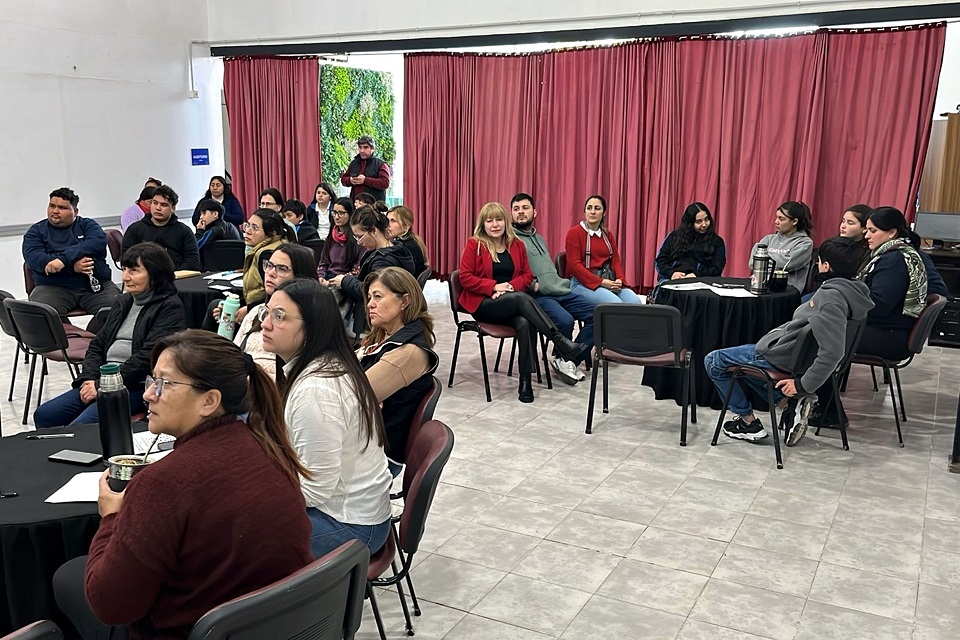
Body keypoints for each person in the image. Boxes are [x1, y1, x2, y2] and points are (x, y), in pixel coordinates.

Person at [52, 330, 313, 640]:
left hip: (197, 629)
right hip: (274, 624)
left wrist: (111, 518)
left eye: (165, 383)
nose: (149, 394)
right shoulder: (269, 449)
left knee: (67, 578)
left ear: (209, 401)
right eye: (152, 380)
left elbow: (111, 607)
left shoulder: (161, 484)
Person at [262, 279, 393, 558]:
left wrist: (258, 490)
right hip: (348, 510)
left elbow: (316, 489)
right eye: (267, 312)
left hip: (351, 526)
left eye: (279, 316)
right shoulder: (324, 364)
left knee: (237, 537)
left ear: (312, 327)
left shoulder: (315, 391)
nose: (265, 324)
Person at [704, 236, 874, 446]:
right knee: (744, 363)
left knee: (714, 361)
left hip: (785, 358)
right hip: (791, 354)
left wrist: (802, 385)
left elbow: (833, 352)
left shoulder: (831, 299)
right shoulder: (855, 292)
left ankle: (749, 423)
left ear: (826, 266)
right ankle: (788, 404)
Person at [34, 243, 186, 428]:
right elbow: (97, 345)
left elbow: (147, 357)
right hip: (104, 378)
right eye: (124, 269)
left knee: (81, 426)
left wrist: (101, 385)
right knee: (45, 415)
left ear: (155, 274)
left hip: (137, 385)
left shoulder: (169, 307)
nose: (125, 277)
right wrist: (89, 379)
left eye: (134, 271)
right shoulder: (124, 301)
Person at [810, 207, 930, 430]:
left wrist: (845, 305)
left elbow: (878, 306)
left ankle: (830, 411)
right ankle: (821, 403)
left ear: (891, 232)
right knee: (822, 329)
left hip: (890, 336)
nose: (866, 235)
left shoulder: (894, 260)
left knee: (818, 337)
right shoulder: (890, 254)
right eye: (866, 230)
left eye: (873, 231)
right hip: (886, 329)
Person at [460, 202, 591, 403]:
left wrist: (508, 287)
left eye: (499, 220)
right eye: (489, 221)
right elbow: (465, 278)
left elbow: (527, 275)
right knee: (522, 298)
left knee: (524, 322)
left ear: (505, 222)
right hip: (484, 304)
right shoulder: (475, 244)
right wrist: (494, 287)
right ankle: (559, 340)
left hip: (509, 300)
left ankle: (525, 382)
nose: (495, 225)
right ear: (483, 224)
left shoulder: (516, 244)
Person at [357, 267, 440, 474]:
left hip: (377, 456)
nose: (370, 304)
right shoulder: (383, 336)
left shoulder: (408, 351)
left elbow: (353, 396)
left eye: (378, 296)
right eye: (369, 297)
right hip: (362, 439)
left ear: (404, 301)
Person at [511, 193, 595, 385]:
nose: (521, 212)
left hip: (560, 290)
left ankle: (568, 360)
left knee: (598, 315)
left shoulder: (539, 238)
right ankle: (565, 359)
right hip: (538, 296)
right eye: (516, 209)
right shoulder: (511, 240)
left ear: (534, 212)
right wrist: (532, 285)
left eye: (525, 208)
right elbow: (511, 272)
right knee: (565, 321)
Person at [23, 187, 121, 316]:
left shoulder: (88, 225)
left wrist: (63, 260)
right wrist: (73, 267)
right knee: (42, 314)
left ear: (75, 211)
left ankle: (97, 329)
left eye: (62, 208)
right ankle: (63, 330)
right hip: (52, 288)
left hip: (95, 287)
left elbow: (96, 243)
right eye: (52, 206)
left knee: (118, 309)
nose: (55, 211)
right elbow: (36, 260)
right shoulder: (36, 231)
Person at [327, 205, 415, 334]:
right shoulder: (396, 248)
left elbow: (371, 292)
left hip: (373, 320)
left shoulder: (383, 261)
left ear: (374, 231)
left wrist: (344, 281)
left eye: (360, 236)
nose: (358, 242)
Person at [234, 243, 316, 377]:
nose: (270, 273)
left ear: (301, 277)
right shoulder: (256, 311)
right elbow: (233, 356)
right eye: (269, 265)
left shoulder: (307, 320)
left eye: (282, 269)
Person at [564, 195, 642, 304]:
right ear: (584, 212)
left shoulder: (607, 235)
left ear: (604, 213)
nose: (592, 212)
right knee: (614, 303)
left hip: (606, 279)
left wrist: (619, 279)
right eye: (589, 208)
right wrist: (601, 282)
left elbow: (615, 260)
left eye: (597, 208)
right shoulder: (574, 233)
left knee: (635, 302)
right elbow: (574, 265)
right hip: (581, 283)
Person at [123, 185, 201, 271]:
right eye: (155, 203)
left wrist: (174, 275)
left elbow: (192, 260)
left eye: (164, 205)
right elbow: (127, 258)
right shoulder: (135, 229)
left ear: (173, 208)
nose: (158, 208)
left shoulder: (184, 231)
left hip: (176, 276)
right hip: (145, 276)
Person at [749, 201, 814, 293]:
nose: (776, 222)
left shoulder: (805, 243)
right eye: (776, 217)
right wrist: (773, 261)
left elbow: (787, 264)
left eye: (781, 219)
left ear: (794, 221)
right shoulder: (768, 239)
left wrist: (763, 261)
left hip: (787, 292)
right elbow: (752, 263)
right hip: (762, 287)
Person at [655, 202, 727, 281]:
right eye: (699, 222)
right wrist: (672, 273)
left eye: (706, 219)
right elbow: (660, 261)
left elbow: (717, 268)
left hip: (703, 280)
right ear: (690, 223)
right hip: (672, 279)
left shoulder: (717, 242)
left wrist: (697, 275)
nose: (704, 224)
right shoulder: (674, 237)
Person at [318, 198, 364, 280]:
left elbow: (357, 269)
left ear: (350, 214)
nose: (336, 217)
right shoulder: (331, 237)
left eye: (341, 213)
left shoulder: (358, 239)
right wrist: (321, 277)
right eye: (334, 212)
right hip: (327, 277)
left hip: (346, 281)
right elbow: (323, 262)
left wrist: (342, 280)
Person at [340, 135, 391, 202]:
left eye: (365, 147)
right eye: (360, 147)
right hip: (355, 204)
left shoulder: (381, 164)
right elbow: (343, 179)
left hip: (373, 205)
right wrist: (350, 180)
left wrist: (365, 180)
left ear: (372, 148)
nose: (362, 151)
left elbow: (385, 183)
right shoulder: (354, 163)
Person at [386, 205, 429, 277]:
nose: (388, 225)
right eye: (387, 221)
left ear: (405, 226)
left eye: (393, 221)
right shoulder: (413, 240)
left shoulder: (403, 247)